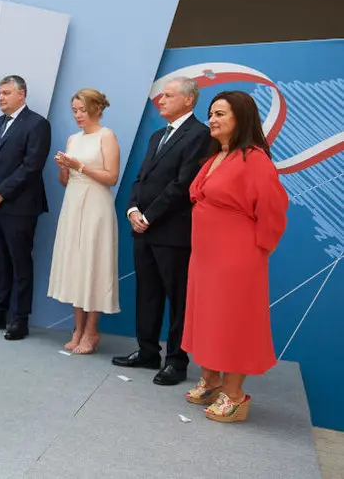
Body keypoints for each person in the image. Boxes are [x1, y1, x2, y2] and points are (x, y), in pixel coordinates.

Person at [181, 91, 288, 423]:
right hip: (206, 256)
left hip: (237, 258)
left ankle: (235, 395)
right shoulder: (217, 156)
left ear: (241, 118)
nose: (212, 119)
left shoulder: (254, 159)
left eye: (221, 114)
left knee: (233, 322)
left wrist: (258, 251)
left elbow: (273, 209)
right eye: (211, 113)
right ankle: (211, 381)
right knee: (208, 316)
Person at [112, 77, 210, 386]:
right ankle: (147, 351)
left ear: (188, 101)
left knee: (177, 299)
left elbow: (184, 184)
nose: (161, 100)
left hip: (173, 231)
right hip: (144, 229)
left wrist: (150, 215)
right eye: (161, 96)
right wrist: (132, 209)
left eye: (168, 96)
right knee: (147, 293)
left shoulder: (200, 135)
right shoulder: (157, 135)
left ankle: (176, 362)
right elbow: (141, 179)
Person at [0, 75, 51, 341]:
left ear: (21, 95)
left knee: (20, 262)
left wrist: (1, 193)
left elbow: (32, 166)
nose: (1, 98)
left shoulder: (37, 124)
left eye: (6, 93)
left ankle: (19, 319)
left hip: (20, 206)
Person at [47, 88, 121, 354]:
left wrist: (79, 166)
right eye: (75, 110)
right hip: (74, 204)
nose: (78, 115)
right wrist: (64, 169)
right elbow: (65, 182)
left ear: (97, 109)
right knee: (76, 264)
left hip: (96, 207)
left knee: (94, 263)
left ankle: (92, 330)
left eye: (82, 109)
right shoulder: (72, 139)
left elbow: (111, 177)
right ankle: (77, 328)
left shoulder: (106, 136)